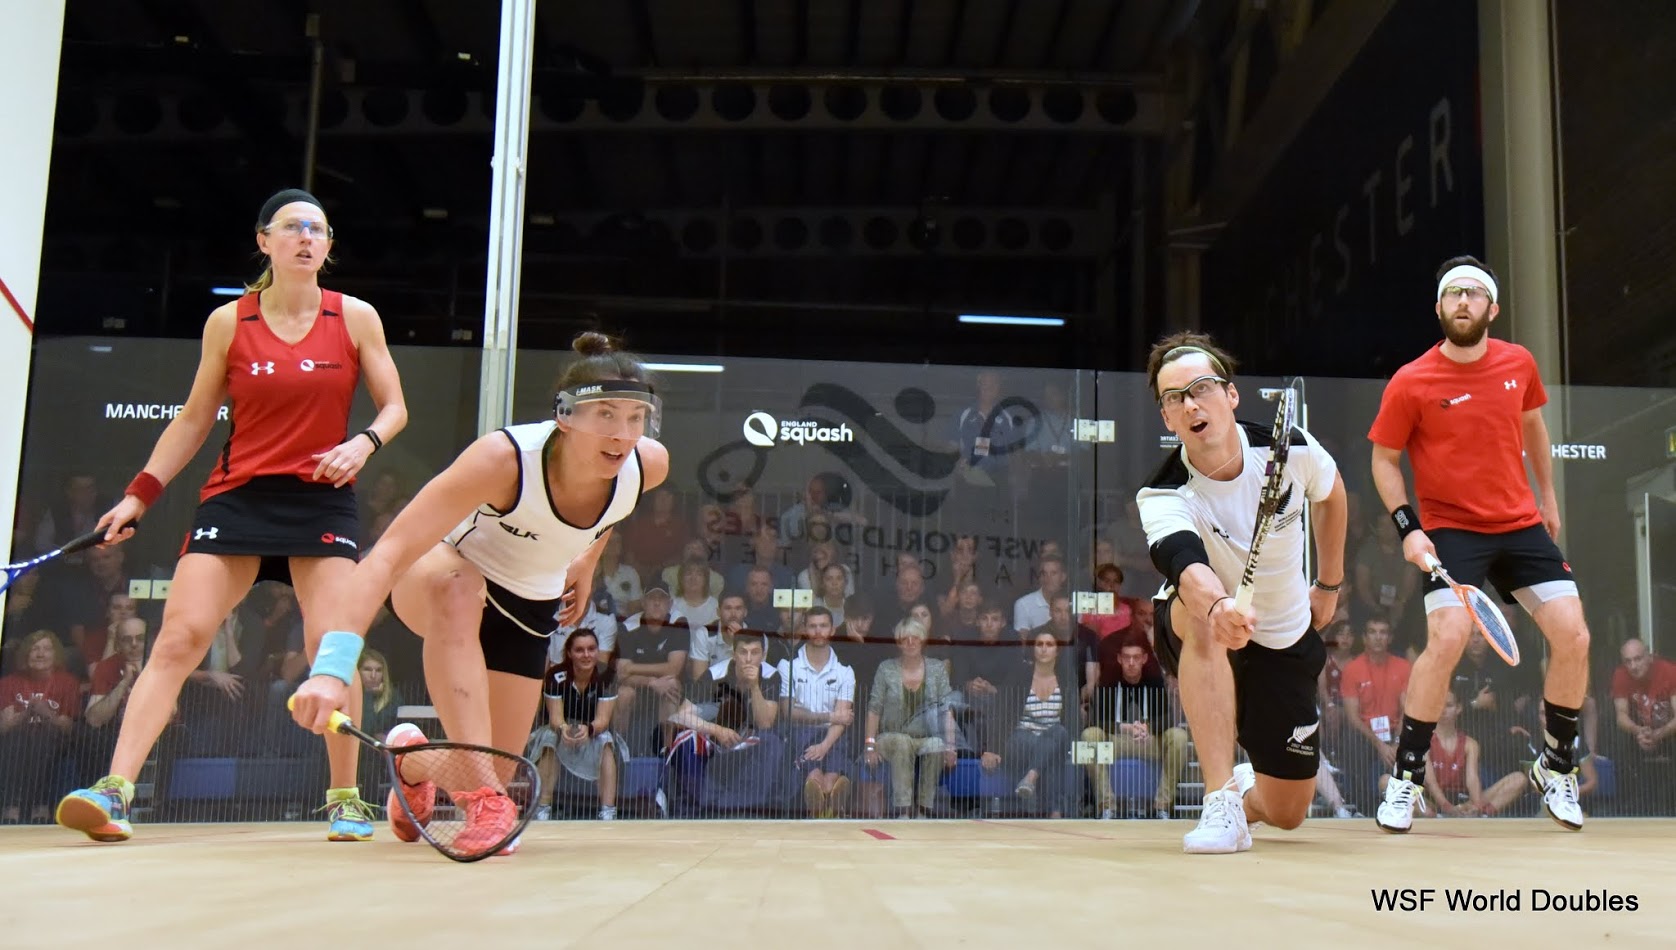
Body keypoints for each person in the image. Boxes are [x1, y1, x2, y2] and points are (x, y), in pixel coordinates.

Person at [57, 188, 408, 843]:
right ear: (264, 240)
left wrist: (364, 443)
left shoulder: (356, 317)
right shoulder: (229, 322)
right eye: (293, 227)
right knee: (178, 639)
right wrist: (138, 495)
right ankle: (114, 792)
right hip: (238, 498)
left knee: (330, 648)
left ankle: (346, 799)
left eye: (319, 230)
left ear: (328, 247)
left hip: (320, 500)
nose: (307, 238)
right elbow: (194, 419)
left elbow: (395, 408)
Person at [289, 331, 668, 855]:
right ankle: (486, 801)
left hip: (526, 607)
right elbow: (388, 554)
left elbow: (613, 509)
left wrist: (585, 561)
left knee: (496, 765)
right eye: (605, 414)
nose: (621, 434)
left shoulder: (649, 464)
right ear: (565, 415)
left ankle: (412, 764)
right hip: (438, 575)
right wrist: (331, 670)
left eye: (634, 417)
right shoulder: (503, 460)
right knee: (459, 588)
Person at [1367, 255, 1590, 833]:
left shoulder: (1519, 363)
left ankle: (1556, 767)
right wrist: (1409, 528)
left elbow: (1534, 427)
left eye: (1473, 293)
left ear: (1492, 309)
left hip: (1519, 525)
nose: (1462, 301)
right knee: (1447, 638)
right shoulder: (1412, 379)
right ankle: (1406, 778)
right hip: (1450, 530)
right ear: (1439, 307)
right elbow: (1384, 460)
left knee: (1574, 636)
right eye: (1453, 293)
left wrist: (1548, 497)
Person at [1135, 332, 1347, 854]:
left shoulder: (1291, 449)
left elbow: (1332, 494)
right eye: (1174, 398)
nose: (1190, 404)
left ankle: (1249, 792)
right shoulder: (1163, 492)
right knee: (1195, 615)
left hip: (1283, 635)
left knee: (1288, 813)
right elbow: (1184, 563)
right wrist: (1217, 605)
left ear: (1230, 395)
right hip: (1203, 619)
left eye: (1201, 388)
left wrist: (1329, 583)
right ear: (1167, 418)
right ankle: (1221, 798)